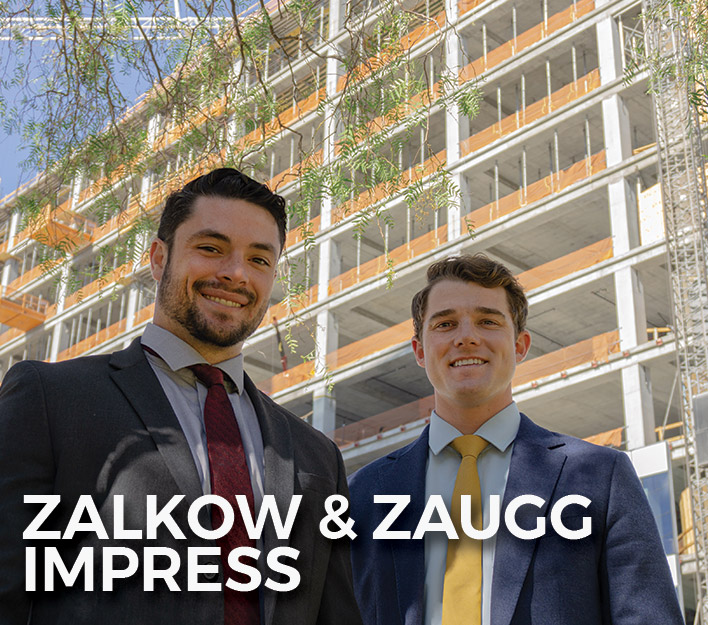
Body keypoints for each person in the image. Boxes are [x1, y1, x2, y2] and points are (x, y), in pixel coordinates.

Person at [0, 168, 363, 625]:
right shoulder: (49, 399)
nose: (235, 274)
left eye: (258, 259)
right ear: (158, 258)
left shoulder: (318, 456)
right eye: (211, 248)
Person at [348, 254, 684, 625]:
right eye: (445, 324)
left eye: (487, 321)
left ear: (521, 345)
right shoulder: (363, 493)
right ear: (420, 350)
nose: (467, 337)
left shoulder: (602, 477)